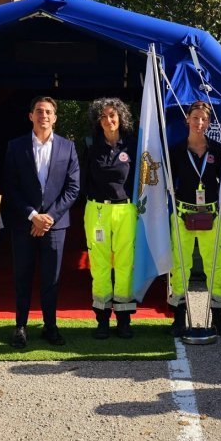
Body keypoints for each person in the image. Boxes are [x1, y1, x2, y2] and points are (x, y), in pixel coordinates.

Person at [3, 96, 80, 348]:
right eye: (39, 111)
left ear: (55, 118)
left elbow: (73, 187)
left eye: (48, 112)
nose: (43, 115)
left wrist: (49, 217)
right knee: (22, 276)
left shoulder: (68, 147)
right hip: (25, 223)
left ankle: (50, 326)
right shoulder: (15, 146)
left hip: (55, 225)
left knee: (51, 278)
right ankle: (20, 326)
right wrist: (32, 215)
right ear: (31, 116)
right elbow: (10, 186)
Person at [168, 101, 221, 337]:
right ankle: (178, 318)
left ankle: (219, 317)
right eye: (195, 118)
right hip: (184, 213)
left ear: (209, 122)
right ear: (188, 119)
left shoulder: (217, 150)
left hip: (211, 215)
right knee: (180, 266)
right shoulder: (175, 149)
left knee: (215, 267)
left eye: (204, 119)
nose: (199, 123)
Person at [81, 98, 138, 339]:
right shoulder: (91, 145)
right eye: (103, 116)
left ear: (121, 117)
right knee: (100, 266)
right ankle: (102, 319)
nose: (108, 120)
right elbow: (83, 179)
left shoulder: (132, 146)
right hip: (97, 211)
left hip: (125, 210)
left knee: (125, 265)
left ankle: (123, 320)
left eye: (112, 115)